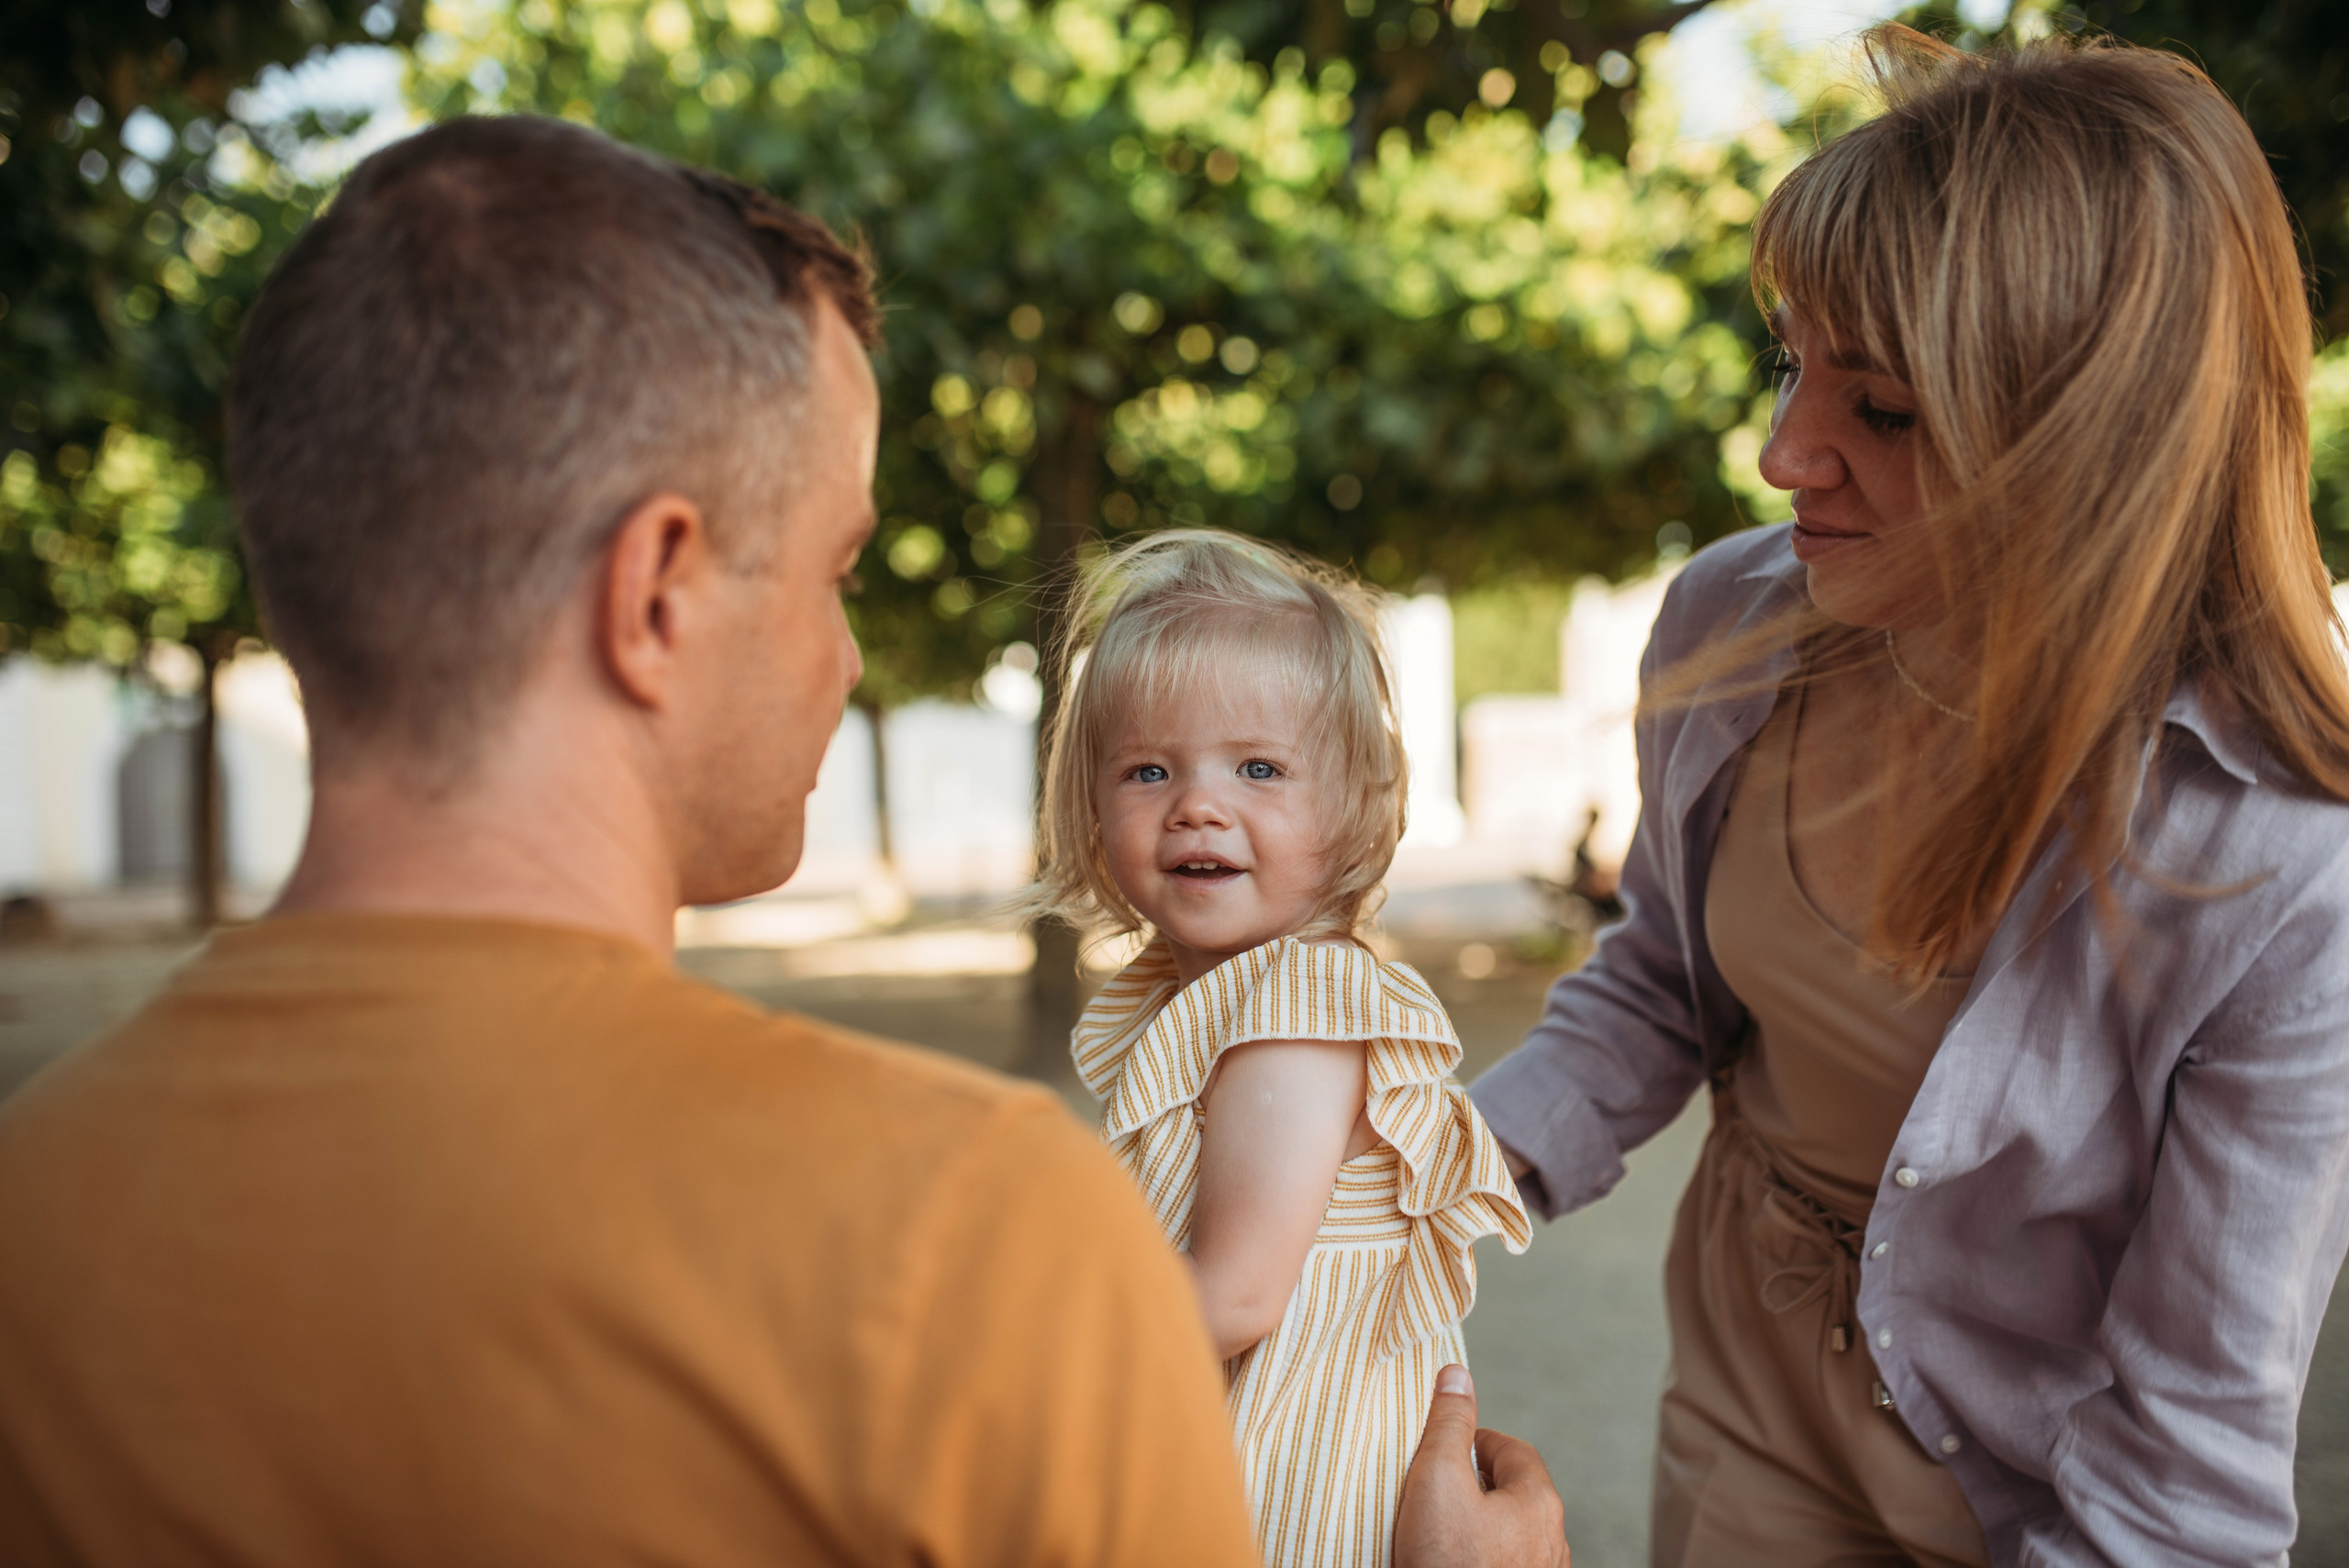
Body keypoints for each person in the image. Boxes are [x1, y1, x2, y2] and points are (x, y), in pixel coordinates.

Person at [0, 116, 1565, 1568]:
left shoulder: (39, 1207)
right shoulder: (973, 1230)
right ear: (658, 592)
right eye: (834, 567)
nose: (850, 657)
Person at [1472, 25, 2349, 1568]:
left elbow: (2187, 1469)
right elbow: (1662, 987)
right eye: (1791, 362)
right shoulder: (1732, 629)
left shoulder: (2285, 859)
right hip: (1746, 1403)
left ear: (2099, 449)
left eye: (1880, 409)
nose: (1778, 450)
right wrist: (1409, 1187)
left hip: (2035, 1490)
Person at [1038, 532, 1532, 1568]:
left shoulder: (1301, 1006)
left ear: (1352, 800)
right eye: (1147, 768)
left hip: (1288, 1488)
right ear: (1089, 801)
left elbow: (1234, 1294)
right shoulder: (1206, 996)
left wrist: (1024, 1351)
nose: (1197, 803)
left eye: (1258, 766)